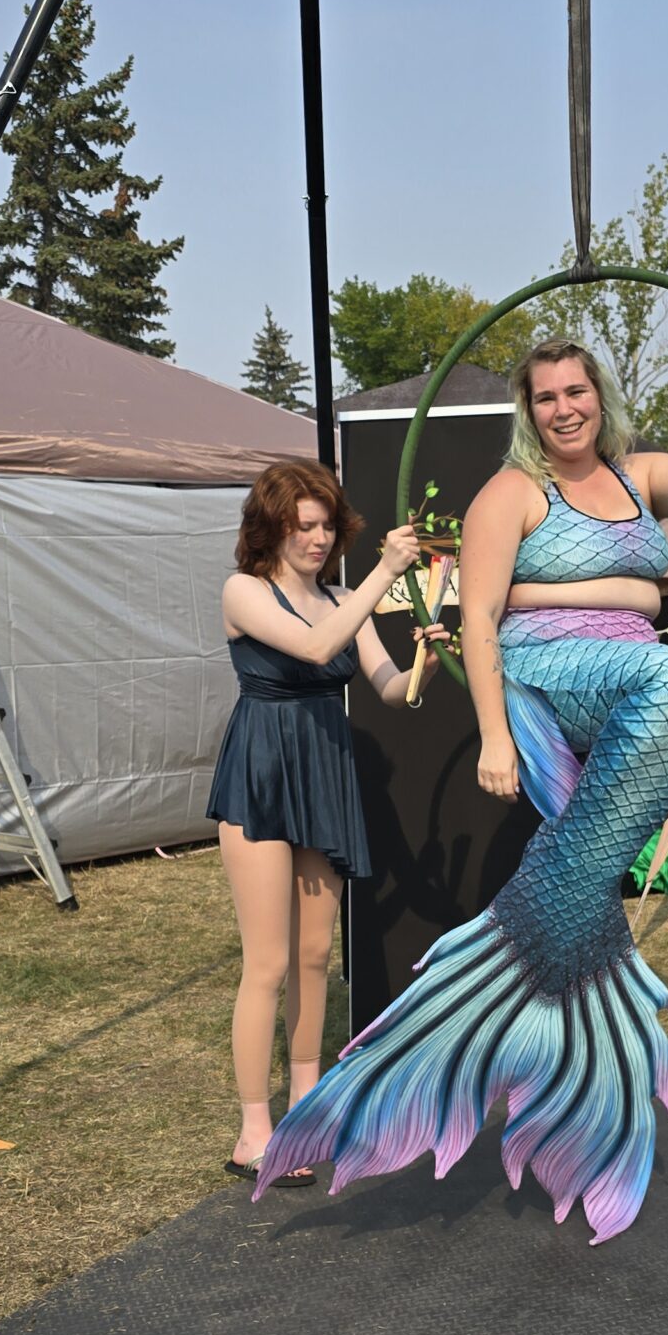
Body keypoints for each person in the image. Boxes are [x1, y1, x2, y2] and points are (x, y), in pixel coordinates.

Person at [257, 298, 668, 1237]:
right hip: (551, 663)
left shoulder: (640, 474)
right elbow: (479, 618)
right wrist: (493, 733)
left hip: (631, 664)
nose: (564, 408)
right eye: (546, 398)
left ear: (600, 397)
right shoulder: (512, 493)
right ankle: (562, 899)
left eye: (576, 392)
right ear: (529, 412)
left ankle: (550, 912)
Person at [211, 459, 436, 1183]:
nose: (318, 539)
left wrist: (426, 663)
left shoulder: (340, 597)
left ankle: (307, 1110)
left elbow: (389, 688)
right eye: (303, 526)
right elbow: (314, 647)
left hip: (323, 775)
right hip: (262, 776)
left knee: (314, 956)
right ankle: (254, 1132)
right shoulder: (244, 591)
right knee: (269, 963)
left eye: (327, 525)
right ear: (270, 529)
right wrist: (386, 572)